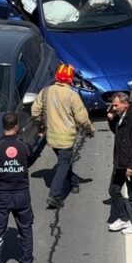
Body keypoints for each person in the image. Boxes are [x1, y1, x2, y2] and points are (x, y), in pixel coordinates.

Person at [31, 63, 94, 209]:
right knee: (63, 164)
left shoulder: (46, 92)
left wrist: (41, 124)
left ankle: (73, 182)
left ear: (56, 77)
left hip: (51, 137)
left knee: (63, 161)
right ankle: (54, 195)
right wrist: (90, 129)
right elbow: (82, 118)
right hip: (66, 138)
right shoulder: (72, 95)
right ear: (71, 80)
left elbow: (35, 112)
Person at [0, 113, 34, 263]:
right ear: (17, 126)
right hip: (22, 194)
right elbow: (29, 160)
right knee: (25, 229)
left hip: (1, 195)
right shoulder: (24, 146)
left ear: (3, 126)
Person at [106, 93, 132, 235]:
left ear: (125, 104)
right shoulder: (122, 117)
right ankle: (124, 218)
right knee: (113, 190)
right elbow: (118, 132)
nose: (113, 108)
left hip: (130, 165)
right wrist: (111, 119)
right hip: (121, 162)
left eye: (116, 105)